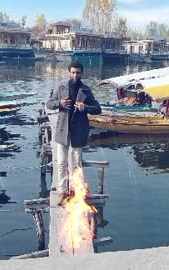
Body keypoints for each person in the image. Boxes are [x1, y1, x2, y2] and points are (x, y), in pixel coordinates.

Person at [46, 62, 102, 204]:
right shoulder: (61, 87)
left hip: (78, 130)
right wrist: (60, 103)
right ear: (69, 73)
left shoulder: (86, 90)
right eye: (73, 72)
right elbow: (49, 104)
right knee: (61, 163)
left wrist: (85, 107)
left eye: (78, 73)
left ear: (82, 73)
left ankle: (76, 191)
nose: (75, 75)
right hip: (62, 130)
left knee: (76, 163)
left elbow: (98, 109)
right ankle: (62, 191)